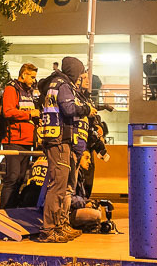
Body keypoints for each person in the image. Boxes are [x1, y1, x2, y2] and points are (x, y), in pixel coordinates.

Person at [33, 56, 91, 242]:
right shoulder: (63, 85)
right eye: (79, 73)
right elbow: (69, 109)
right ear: (74, 71)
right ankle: (49, 230)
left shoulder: (56, 83)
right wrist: (86, 110)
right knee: (58, 186)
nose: (80, 78)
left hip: (57, 138)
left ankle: (59, 226)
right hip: (58, 140)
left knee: (62, 186)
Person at [0, 63, 41, 208]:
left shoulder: (28, 92)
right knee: (12, 178)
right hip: (14, 140)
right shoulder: (12, 89)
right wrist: (29, 114)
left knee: (20, 179)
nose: (34, 80)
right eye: (32, 77)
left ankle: (12, 210)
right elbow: (8, 111)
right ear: (23, 74)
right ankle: (4, 210)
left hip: (27, 142)